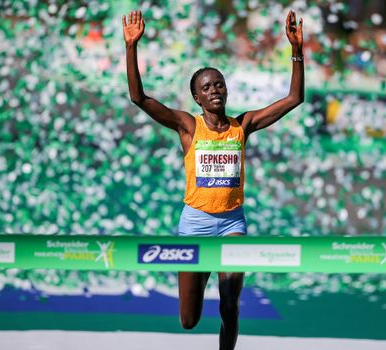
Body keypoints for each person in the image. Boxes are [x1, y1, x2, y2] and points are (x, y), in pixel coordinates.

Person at [122, 9, 303, 350]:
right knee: (188, 320)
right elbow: (139, 98)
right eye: (206, 87)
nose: (215, 90)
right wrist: (131, 47)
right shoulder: (188, 127)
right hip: (195, 225)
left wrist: (296, 51)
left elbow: (294, 99)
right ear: (197, 98)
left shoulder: (242, 125)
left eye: (219, 83)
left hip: (232, 224)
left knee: (230, 305)